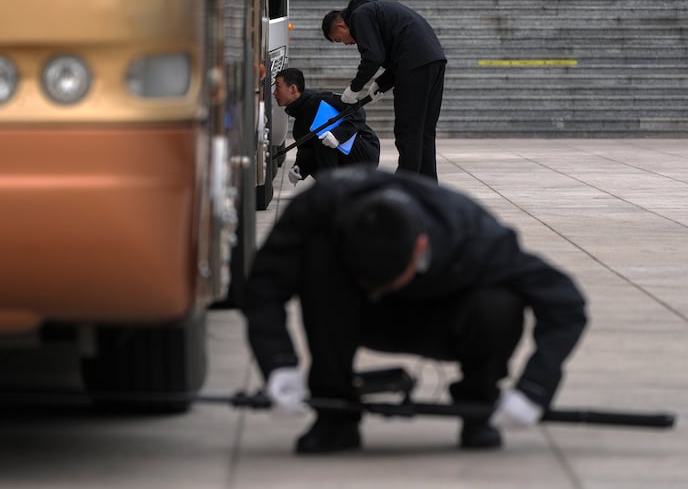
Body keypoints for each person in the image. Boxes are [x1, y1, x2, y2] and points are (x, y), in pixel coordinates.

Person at [242, 166, 588, 454]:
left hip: (443, 318)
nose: (380, 290)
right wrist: (278, 363)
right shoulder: (319, 207)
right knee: (318, 259)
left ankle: (478, 405)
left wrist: (536, 386)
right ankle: (335, 417)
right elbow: (264, 283)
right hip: (357, 317)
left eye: (387, 282)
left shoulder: (474, 234)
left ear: (420, 246)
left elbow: (566, 303)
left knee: (500, 305)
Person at [322, 0, 446, 181]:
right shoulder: (375, 11)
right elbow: (394, 48)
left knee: (408, 132)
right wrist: (381, 83)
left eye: (340, 40)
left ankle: (405, 188)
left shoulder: (359, 15)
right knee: (424, 132)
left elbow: (373, 56)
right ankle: (427, 188)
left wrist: (354, 88)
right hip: (433, 60)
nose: (348, 44)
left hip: (414, 65)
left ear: (341, 26)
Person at [273, 68, 380, 185]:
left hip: (365, 148)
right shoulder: (298, 127)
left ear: (292, 88)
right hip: (344, 159)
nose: (274, 93)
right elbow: (306, 151)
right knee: (320, 140)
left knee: (323, 134)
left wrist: (337, 135)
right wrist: (299, 168)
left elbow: (358, 111)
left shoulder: (320, 100)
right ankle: (331, 188)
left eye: (278, 87)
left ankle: (332, 187)